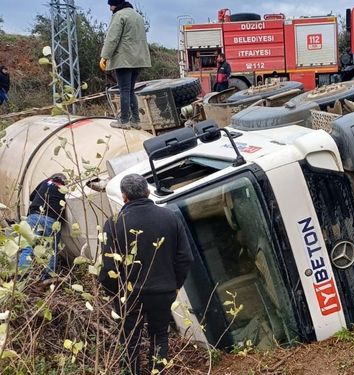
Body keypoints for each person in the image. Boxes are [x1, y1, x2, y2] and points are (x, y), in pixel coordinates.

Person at [99, 174, 193, 375]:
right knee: (159, 335)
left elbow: (108, 268)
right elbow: (185, 258)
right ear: (148, 191)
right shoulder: (170, 217)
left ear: (124, 196)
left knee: (129, 340)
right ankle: (157, 372)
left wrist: (114, 292)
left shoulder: (114, 223)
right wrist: (174, 285)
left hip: (129, 295)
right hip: (163, 291)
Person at [100, 0, 151, 129]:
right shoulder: (137, 16)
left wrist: (104, 56)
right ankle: (135, 120)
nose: (110, 9)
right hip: (138, 59)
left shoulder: (119, 16)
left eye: (110, 5)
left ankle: (123, 121)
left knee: (124, 90)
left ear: (115, 4)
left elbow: (112, 38)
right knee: (130, 90)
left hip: (124, 59)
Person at [18, 173, 67, 276]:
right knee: (51, 250)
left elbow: (32, 197)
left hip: (34, 216)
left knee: (28, 247)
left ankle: (22, 277)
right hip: (52, 220)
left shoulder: (45, 182)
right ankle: (47, 277)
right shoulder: (65, 188)